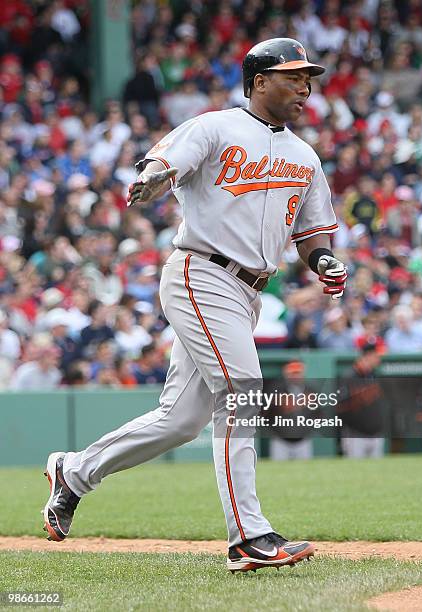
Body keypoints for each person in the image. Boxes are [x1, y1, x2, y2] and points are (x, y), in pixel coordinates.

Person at [42, 38, 347, 573]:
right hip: (200, 272)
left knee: (180, 420)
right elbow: (165, 160)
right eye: (293, 76)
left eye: (308, 78)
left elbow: (311, 233)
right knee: (243, 392)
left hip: (248, 290)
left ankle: (74, 471)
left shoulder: (305, 155)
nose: (305, 87)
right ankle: (249, 536)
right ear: (258, 82)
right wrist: (154, 176)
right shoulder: (215, 126)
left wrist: (322, 261)